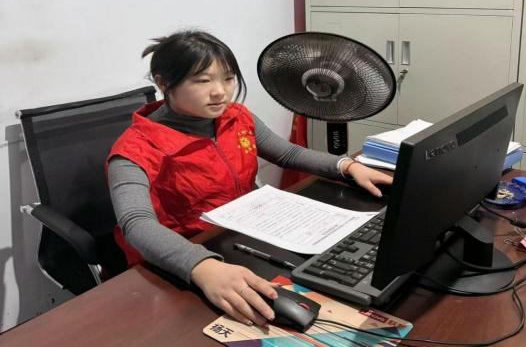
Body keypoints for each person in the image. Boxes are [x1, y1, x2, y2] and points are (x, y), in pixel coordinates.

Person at [107, 30, 392, 328]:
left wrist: (345, 166)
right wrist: (201, 266)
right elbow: (136, 223)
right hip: (185, 255)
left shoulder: (236, 117)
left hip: (246, 234)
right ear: (163, 82)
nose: (220, 92)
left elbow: (287, 153)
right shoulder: (134, 149)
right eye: (203, 81)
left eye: (228, 78)